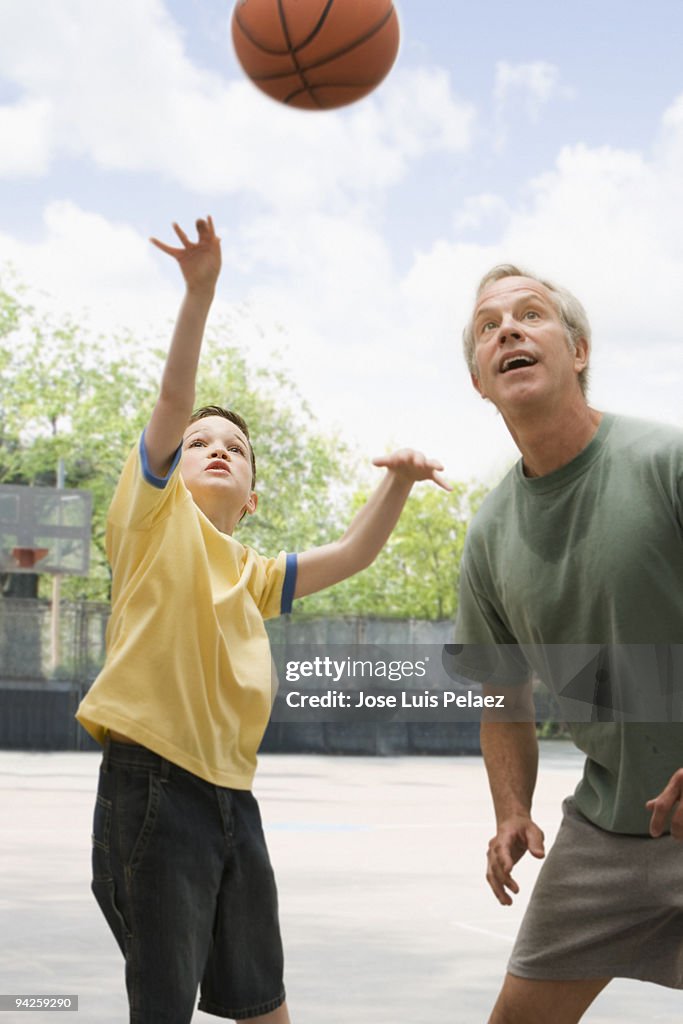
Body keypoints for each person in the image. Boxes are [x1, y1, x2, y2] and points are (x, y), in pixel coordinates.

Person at [76, 216, 449, 1024]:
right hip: (154, 788)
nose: (215, 447)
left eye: (235, 448)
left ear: (250, 497)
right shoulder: (150, 522)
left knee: (262, 1001)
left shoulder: (250, 572)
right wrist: (200, 292)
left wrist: (400, 484)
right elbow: (174, 399)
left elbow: (350, 553)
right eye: (199, 442)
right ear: (171, 465)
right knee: (163, 1005)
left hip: (230, 798)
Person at [451, 264, 683, 1023]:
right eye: (488, 327)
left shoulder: (665, 462)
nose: (507, 330)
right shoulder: (488, 536)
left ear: (577, 351)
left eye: (529, 315)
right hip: (604, 831)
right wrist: (510, 809)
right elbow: (503, 696)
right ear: (481, 382)